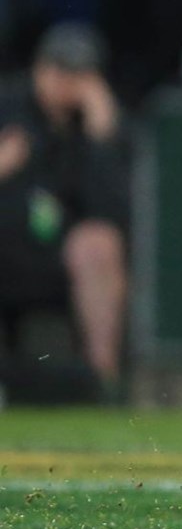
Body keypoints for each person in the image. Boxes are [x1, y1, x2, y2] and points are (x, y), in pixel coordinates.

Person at [0, 22, 129, 400]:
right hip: (6, 246)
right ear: (39, 68)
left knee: (98, 243)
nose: (64, 83)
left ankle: (102, 382)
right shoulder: (7, 106)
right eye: (57, 70)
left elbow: (114, 213)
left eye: (77, 74)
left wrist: (100, 137)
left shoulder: (100, 127)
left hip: (58, 258)